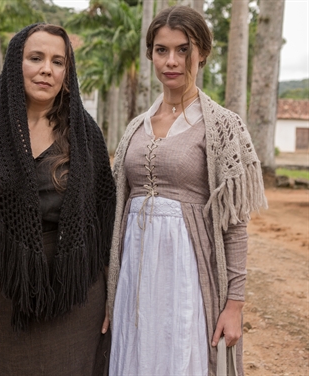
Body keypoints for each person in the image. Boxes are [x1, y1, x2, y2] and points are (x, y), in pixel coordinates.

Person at [0, 23, 116, 375]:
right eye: (36, 58)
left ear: (68, 72)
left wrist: (111, 297)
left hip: (75, 298)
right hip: (0, 299)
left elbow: (103, 224)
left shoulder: (85, 133)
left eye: (58, 61)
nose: (47, 69)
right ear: (14, 63)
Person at [107, 6, 267, 376]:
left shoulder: (224, 126)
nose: (171, 61)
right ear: (150, 55)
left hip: (188, 273)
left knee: (183, 357)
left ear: (203, 53)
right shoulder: (136, 126)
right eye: (161, 50)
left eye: (183, 49)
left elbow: (235, 224)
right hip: (135, 273)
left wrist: (235, 305)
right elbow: (114, 206)